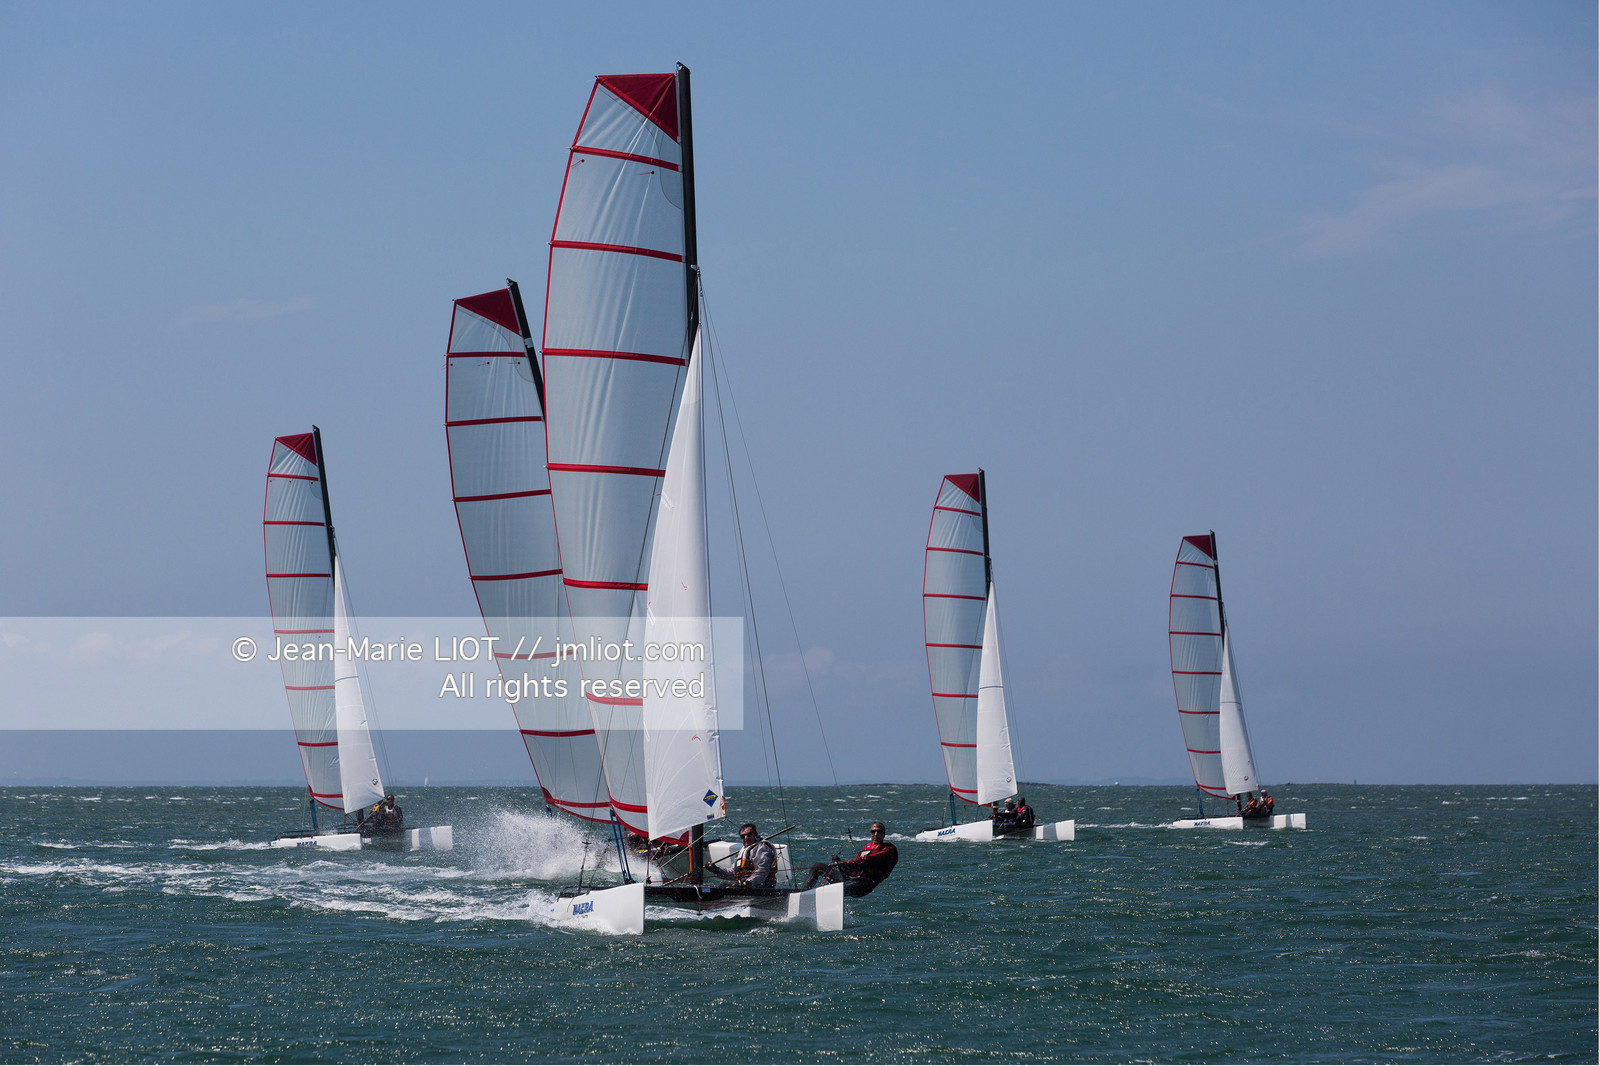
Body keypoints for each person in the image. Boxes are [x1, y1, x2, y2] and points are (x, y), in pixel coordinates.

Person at [801, 822, 898, 898]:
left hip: (864, 885)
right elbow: (854, 869)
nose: (876, 834)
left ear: (884, 834)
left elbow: (866, 861)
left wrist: (842, 863)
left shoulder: (888, 849)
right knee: (818, 867)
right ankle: (802, 893)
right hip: (852, 880)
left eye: (879, 832)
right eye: (873, 832)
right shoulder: (867, 847)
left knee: (833, 890)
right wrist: (840, 865)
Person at [710, 823, 776, 888]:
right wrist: (717, 870)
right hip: (745, 886)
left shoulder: (762, 848)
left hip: (760, 886)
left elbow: (762, 871)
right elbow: (733, 873)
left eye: (749, 835)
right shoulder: (743, 851)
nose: (746, 838)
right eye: (742, 836)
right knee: (723, 885)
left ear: (755, 834)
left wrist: (748, 882)